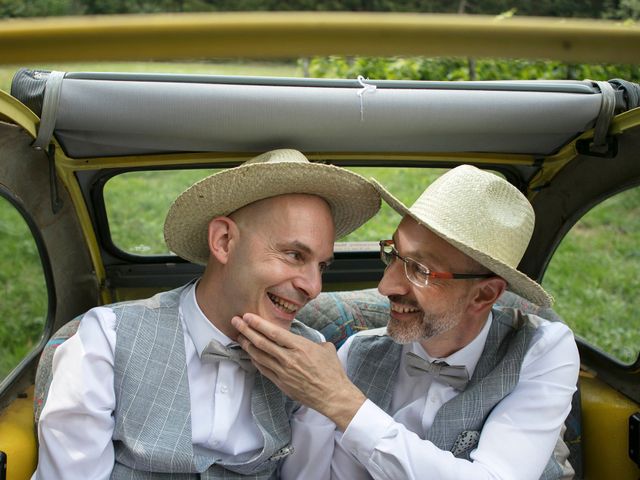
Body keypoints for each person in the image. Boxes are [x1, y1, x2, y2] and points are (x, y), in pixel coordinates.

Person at [32, 149, 381, 479]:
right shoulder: (107, 339)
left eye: (322, 266)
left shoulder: (312, 354)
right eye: (293, 255)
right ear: (224, 241)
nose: (313, 286)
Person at [233, 164, 581, 480]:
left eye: (420, 270)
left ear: (484, 296)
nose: (386, 285)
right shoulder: (356, 354)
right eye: (394, 255)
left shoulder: (543, 350)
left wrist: (343, 402)